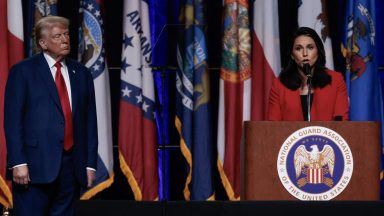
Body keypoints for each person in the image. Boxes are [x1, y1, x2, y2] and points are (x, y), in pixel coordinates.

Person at [4, 16, 98, 216]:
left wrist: (89, 164)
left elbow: (89, 122)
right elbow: (12, 121)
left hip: (71, 166)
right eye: (57, 36)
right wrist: (18, 162)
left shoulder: (81, 73)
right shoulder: (22, 71)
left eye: (66, 34)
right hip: (33, 166)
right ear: (42, 43)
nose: (65, 40)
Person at [268, 27, 349, 121]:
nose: (305, 53)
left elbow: (342, 122)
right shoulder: (279, 85)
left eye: (310, 47)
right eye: (298, 48)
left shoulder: (335, 80)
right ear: (292, 55)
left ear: (318, 51)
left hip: (326, 136)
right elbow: (273, 127)